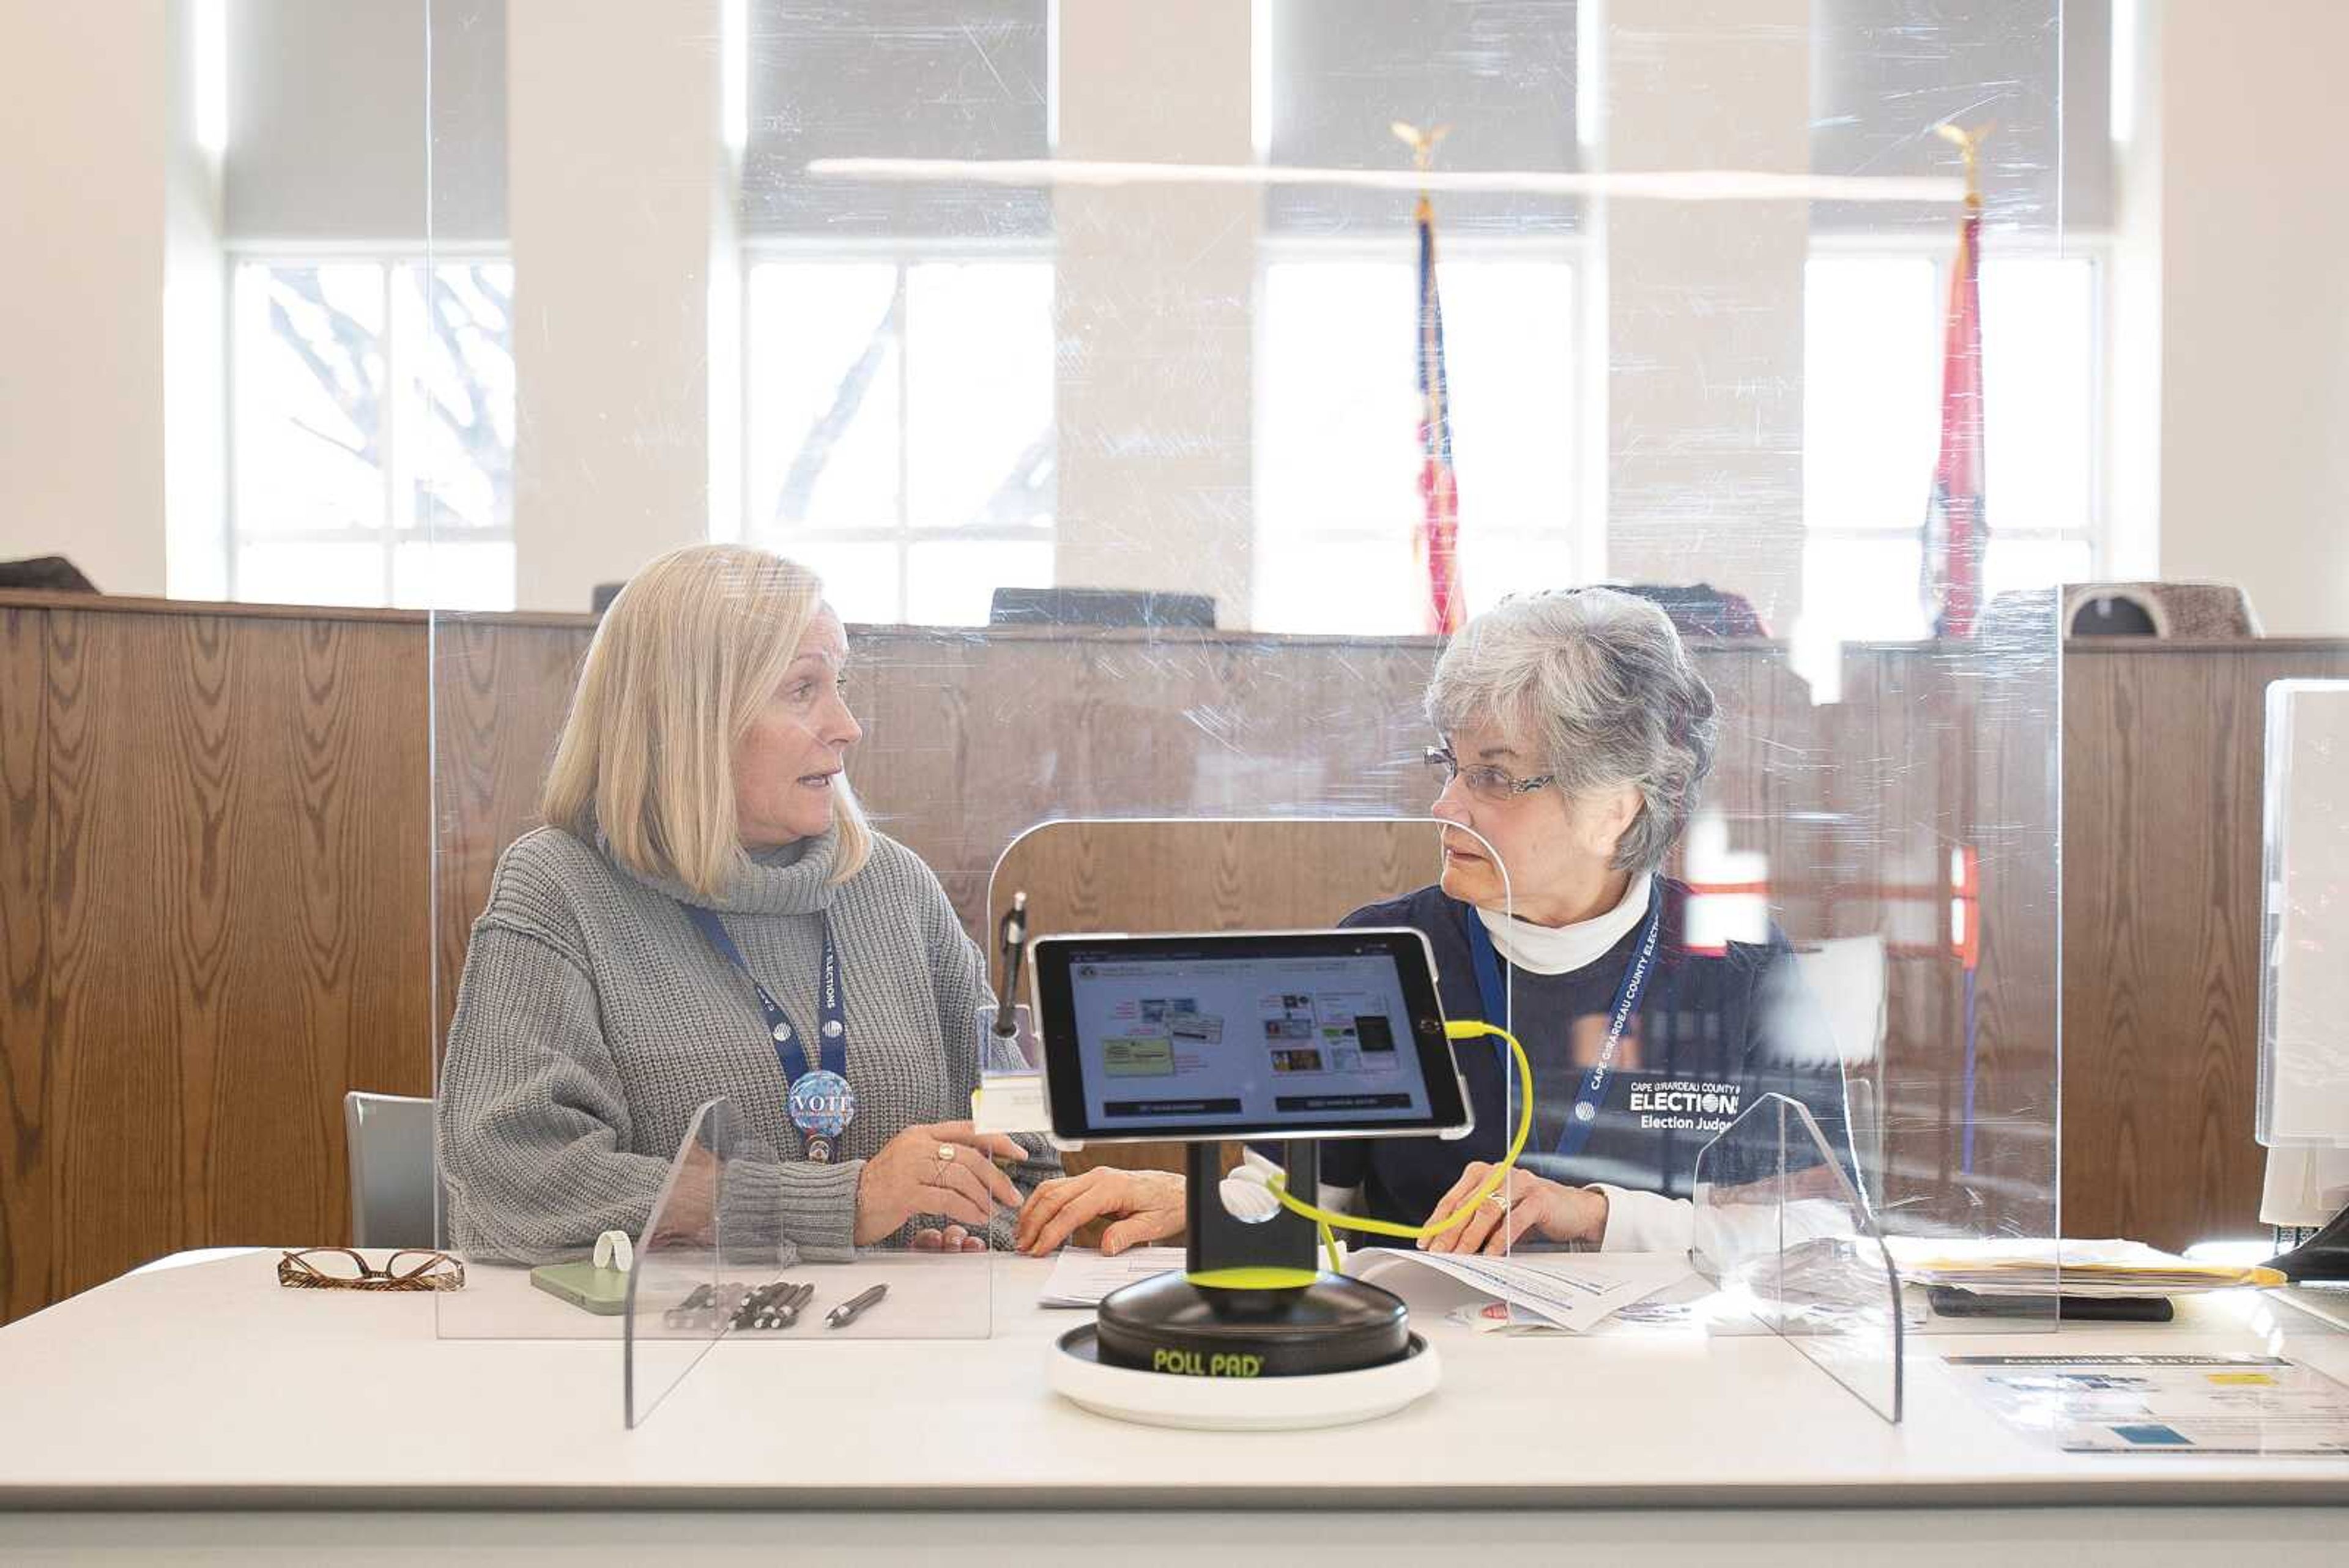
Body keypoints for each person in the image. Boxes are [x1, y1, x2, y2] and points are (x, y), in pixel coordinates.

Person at [1017, 587, 1852, 1257]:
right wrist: (1192, 1200)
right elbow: (1306, 1212)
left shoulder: (1738, 958)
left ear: (1613, 808)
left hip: (1669, 1396)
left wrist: (1595, 1214)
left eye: (1494, 776)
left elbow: (1820, 1234)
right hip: (1436, 1390)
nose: (1444, 803)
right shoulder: (1375, 955)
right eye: (1451, 764)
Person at [438, 544, 1053, 1263]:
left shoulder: (898, 888)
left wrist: (965, 1228)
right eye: (803, 690)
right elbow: (517, 1181)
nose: (847, 725)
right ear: (695, 718)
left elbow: (1029, 1158)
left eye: (841, 684)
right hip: (652, 1358)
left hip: (893, 1345)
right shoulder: (558, 887)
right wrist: (842, 1204)